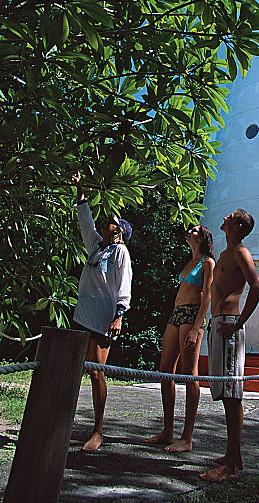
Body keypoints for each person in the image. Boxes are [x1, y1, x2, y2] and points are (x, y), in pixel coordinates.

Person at [200, 209, 259, 482]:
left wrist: (237, 325)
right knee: (225, 391)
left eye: (231, 216)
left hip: (229, 325)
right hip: (218, 324)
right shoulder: (225, 254)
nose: (224, 216)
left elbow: (257, 287)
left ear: (237, 226)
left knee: (231, 393)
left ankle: (231, 467)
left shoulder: (240, 252)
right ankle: (233, 456)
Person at [71, 171, 132, 451]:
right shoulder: (96, 246)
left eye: (111, 222)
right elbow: (85, 221)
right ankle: (64, 419)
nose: (105, 222)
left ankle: (98, 430)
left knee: (97, 372)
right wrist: (80, 190)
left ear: (118, 231)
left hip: (104, 320)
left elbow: (124, 285)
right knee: (73, 369)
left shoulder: (120, 253)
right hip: (82, 316)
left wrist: (119, 315)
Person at [146, 224, 214, 453]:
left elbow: (207, 298)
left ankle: (187, 437)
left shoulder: (208, 263)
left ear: (203, 238)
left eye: (194, 230)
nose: (189, 231)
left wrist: (196, 328)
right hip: (176, 314)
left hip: (192, 315)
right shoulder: (189, 262)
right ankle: (167, 431)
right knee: (165, 370)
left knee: (189, 373)